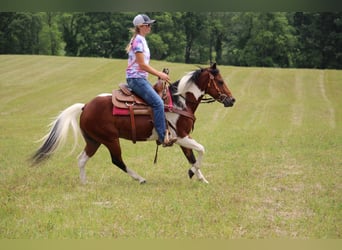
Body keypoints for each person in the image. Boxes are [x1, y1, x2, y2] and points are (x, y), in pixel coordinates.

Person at [125, 14, 176, 147]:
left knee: (160, 98)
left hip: (140, 78)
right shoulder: (138, 41)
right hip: (136, 79)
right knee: (158, 103)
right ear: (140, 26)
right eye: (148, 24)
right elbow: (142, 65)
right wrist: (160, 74)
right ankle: (163, 137)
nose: (150, 26)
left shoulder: (141, 39)